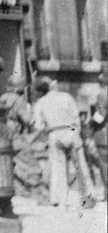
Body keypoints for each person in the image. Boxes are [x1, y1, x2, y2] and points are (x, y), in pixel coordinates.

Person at [32, 78, 96, 211]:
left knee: (57, 168)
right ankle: (87, 198)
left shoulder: (40, 103)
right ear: (51, 86)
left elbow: (39, 126)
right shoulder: (66, 97)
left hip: (54, 133)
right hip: (70, 131)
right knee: (81, 166)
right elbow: (76, 117)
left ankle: (60, 201)